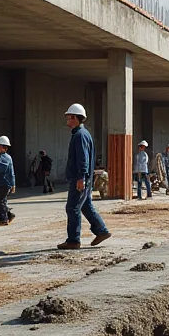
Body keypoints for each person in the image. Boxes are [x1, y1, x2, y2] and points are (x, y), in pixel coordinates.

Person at [58, 103, 111, 250]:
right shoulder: (83, 134)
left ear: (75, 118)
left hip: (80, 178)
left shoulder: (80, 135)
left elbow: (83, 159)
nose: (67, 121)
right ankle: (102, 231)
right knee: (86, 206)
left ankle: (73, 240)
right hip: (84, 177)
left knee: (72, 208)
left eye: (69, 118)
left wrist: (81, 178)